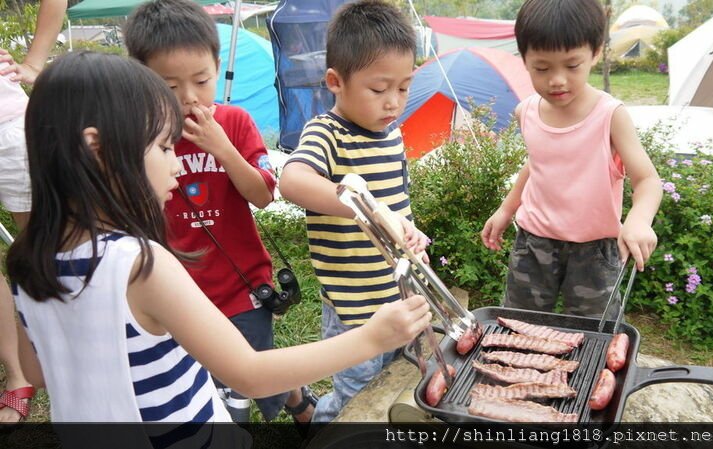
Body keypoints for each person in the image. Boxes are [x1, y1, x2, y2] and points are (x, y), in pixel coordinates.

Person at [6, 52, 430, 441]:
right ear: (96, 150)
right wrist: (373, 337)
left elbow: (39, 372)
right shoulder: (141, 265)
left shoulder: (26, 262)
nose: (176, 163)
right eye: (163, 146)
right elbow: (250, 373)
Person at [122, 0, 313, 427]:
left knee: (250, 375)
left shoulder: (236, 121)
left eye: (201, 80)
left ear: (217, 66)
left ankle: (294, 396)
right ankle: (294, 394)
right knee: (206, 391)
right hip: (176, 295)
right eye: (169, 87)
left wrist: (222, 147)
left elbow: (263, 195)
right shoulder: (137, 138)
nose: (189, 98)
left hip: (241, 286)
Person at [279, 0, 429, 423]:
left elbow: (399, 206)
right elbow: (293, 181)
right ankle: (318, 420)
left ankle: (312, 408)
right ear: (336, 81)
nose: (394, 102)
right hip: (352, 309)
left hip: (398, 295)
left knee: (399, 384)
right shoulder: (326, 132)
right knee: (356, 402)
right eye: (379, 89)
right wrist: (365, 205)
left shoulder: (392, 137)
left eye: (404, 87)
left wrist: (412, 237)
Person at [480, 0, 662, 317]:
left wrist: (639, 220)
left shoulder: (610, 116)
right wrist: (506, 209)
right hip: (533, 243)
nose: (557, 80)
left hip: (596, 249)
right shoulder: (527, 111)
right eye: (542, 68)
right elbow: (537, 165)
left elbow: (647, 180)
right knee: (521, 324)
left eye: (572, 65)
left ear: (595, 53)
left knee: (594, 332)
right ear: (524, 60)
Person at [0, 0, 67, 423]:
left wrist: (34, 62)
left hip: (5, 128)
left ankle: (53, 367)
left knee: (38, 251)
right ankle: (17, 372)